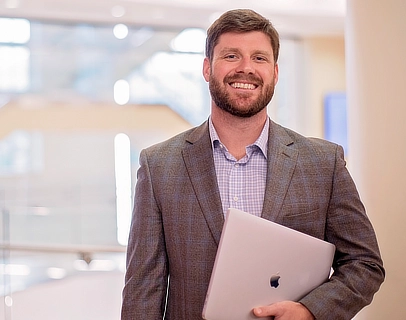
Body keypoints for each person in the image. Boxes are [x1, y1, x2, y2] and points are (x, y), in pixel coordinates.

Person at [121, 8, 385, 320]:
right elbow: (143, 287)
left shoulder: (323, 163)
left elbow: (364, 263)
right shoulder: (159, 166)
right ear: (208, 68)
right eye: (231, 56)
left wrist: (310, 311)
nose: (246, 69)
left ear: (275, 72)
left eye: (259, 58)